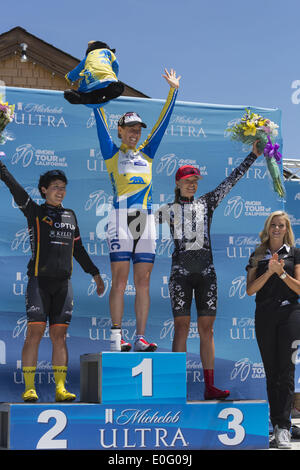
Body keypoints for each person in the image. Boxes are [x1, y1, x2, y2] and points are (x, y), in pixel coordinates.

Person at [157, 141, 262, 399]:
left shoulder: (207, 203)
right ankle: (174, 386)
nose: (193, 184)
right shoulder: (168, 210)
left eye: (196, 181)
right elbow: (138, 224)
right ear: (178, 183)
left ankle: (209, 386)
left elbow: (230, 181)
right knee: (181, 327)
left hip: (207, 275)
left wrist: (253, 155)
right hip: (180, 273)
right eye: (188, 181)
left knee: (208, 329)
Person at [0, 162, 105, 402]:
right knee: (34, 333)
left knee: (60, 336)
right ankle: (29, 388)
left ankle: (60, 388)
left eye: (63, 187)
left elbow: (78, 249)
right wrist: (3, 169)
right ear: (44, 190)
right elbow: (16, 189)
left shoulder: (70, 215)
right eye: (55, 187)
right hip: (39, 282)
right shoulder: (35, 212)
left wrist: (95, 274)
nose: (60, 191)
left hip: (63, 285)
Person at [93, 68, 181, 352]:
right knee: (119, 281)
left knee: (143, 282)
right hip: (120, 219)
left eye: (138, 128)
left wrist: (173, 91)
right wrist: (95, 99)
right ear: (120, 130)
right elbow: (99, 116)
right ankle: (116, 338)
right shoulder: (111, 153)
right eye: (130, 128)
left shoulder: (147, 154)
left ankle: (140, 337)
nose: (135, 132)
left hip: (144, 221)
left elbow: (163, 124)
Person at [246, 211, 300, 449]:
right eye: (273, 225)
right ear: (268, 228)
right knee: (272, 373)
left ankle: (284, 428)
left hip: (291, 315)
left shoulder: (295, 253)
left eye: (281, 225)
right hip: (265, 316)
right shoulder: (258, 254)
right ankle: (276, 425)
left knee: (287, 372)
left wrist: (282, 272)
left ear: (287, 229)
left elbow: (299, 288)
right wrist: (269, 271)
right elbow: (250, 290)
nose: (277, 229)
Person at [64, 40, 124, 107]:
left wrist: (69, 77)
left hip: (90, 81)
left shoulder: (88, 57)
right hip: (106, 79)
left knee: (85, 88)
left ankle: (81, 97)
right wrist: (115, 78)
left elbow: (77, 70)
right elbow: (116, 65)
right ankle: (110, 91)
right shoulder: (108, 52)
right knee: (110, 88)